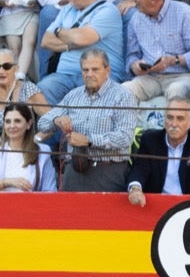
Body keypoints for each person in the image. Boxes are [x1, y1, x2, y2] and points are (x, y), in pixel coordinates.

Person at [36, 48, 136, 191]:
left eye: (95, 69)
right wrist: (57, 120)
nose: (89, 74)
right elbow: (42, 124)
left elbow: (125, 138)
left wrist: (88, 141)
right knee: (70, 213)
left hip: (108, 171)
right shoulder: (73, 95)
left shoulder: (122, 96)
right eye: (85, 70)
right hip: (74, 170)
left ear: (107, 70)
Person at [122, 0, 190, 105]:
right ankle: (131, 127)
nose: (134, 0)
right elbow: (131, 56)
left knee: (177, 90)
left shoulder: (184, 13)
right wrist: (135, 66)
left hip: (181, 76)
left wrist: (173, 60)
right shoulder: (136, 19)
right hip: (149, 78)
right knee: (123, 91)